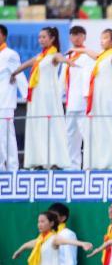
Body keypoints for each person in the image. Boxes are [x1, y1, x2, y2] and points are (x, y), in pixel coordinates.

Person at [12, 26, 69, 169]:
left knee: (51, 127)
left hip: (48, 98)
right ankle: (39, 160)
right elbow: (24, 65)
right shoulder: (40, 57)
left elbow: (60, 58)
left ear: (52, 39)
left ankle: (54, 161)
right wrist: (13, 73)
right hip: (37, 97)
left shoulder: (53, 55)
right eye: (39, 37)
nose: (41, 40)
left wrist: (67, 61)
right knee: (38, 127)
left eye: (44, 37)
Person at [60, 25, 91, 169]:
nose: (76, 38)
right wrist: (59, 95)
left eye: (79, 35)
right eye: (73, 35)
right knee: (71, 136)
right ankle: (73, 166)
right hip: (71, 101)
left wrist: (87, 98)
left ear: (84, 37)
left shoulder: (87, 55)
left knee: (87, 134)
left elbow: (89, 78)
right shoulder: (68, 55)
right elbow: (62, 79)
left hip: (83, 102)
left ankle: (90, 165)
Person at [0, 24, 23, 171]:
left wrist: (29, 95)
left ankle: (10, 166)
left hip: (5, 101)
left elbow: (19, 75)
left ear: (3, 36)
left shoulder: (10, 54)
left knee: (5, 136)